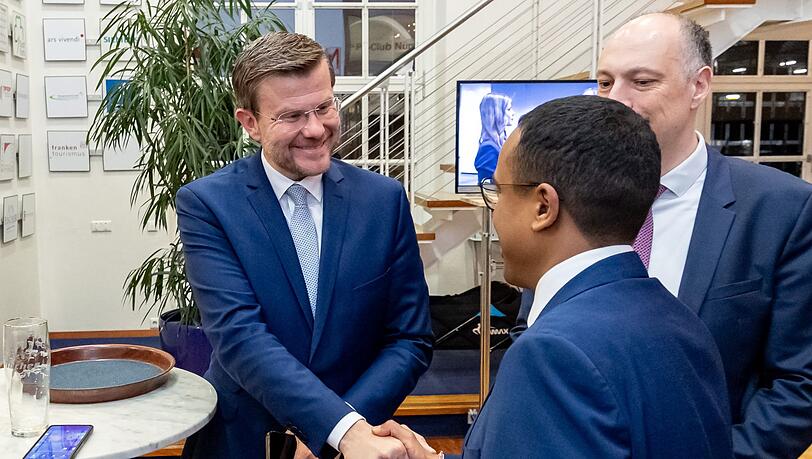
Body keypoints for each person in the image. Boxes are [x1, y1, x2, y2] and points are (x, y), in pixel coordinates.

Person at [374, 95, 733, 458]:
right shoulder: (682, 321)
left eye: (498, 192)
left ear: (544, 206)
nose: (495, 215)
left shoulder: (553, 353)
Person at [176, 32, 433, 459]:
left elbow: (410, 338)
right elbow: (240, 338)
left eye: (324, 107)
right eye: (292, 116)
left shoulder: (383, 200)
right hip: (245, 440)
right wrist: (339, 430)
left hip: (358, 438)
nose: (316, 129)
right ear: (250, 123)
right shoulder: (208, 204)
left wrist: (337, 432)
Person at [597, 13, 812, 458]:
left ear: (699, 85)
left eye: (641, 81)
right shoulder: (571, 197)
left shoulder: (781, 210)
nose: (615, 101)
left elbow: (799, 382)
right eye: (604, 82)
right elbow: (535, 329)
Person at [474, 93, 513, 183]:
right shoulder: (488, 149)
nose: (513, 113)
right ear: (497, 113)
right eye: (509, 109)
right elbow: (488, 187)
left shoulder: (501, 142)